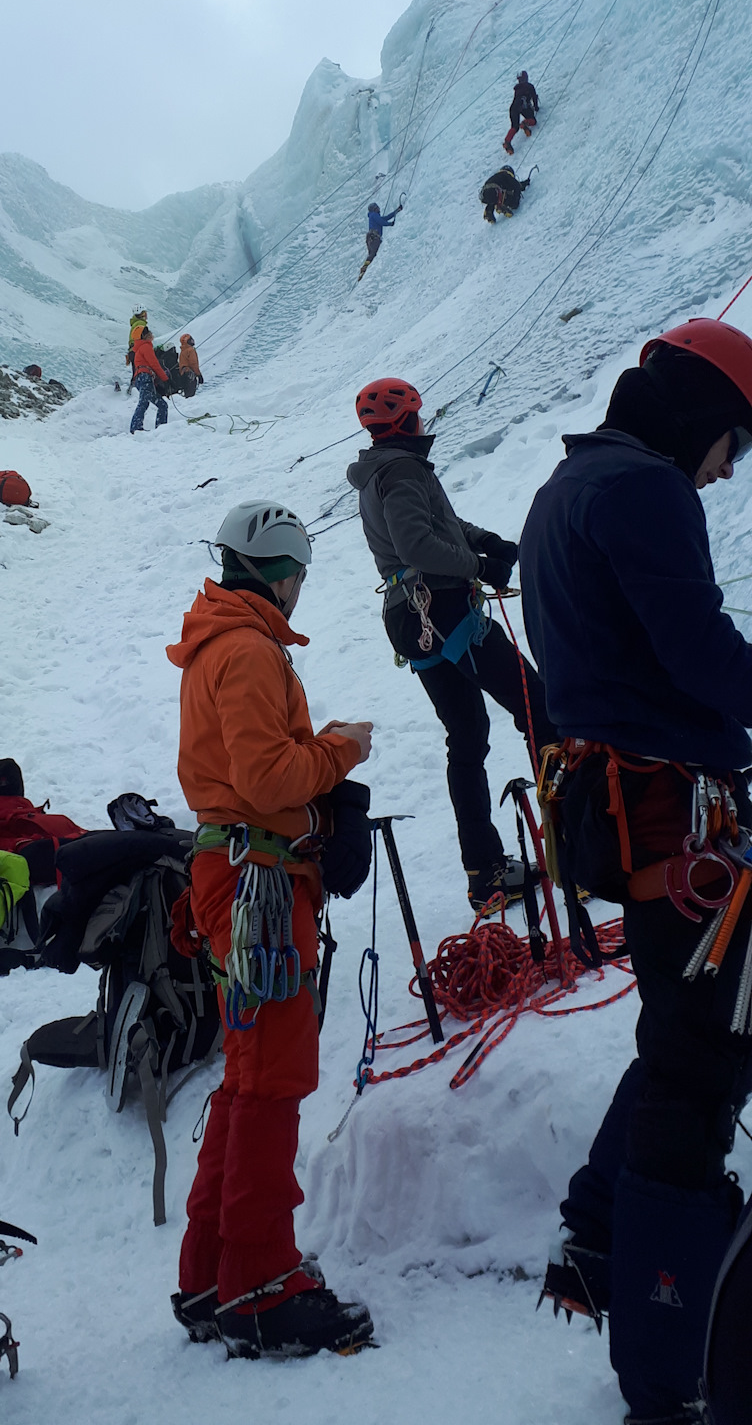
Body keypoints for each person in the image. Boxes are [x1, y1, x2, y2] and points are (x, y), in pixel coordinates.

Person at [519, 317, 752, 1424]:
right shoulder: (648, 490)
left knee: (679, 1038)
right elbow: (696, 647)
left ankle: (602, 1226)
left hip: (626, 812)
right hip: (672, 821)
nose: (726, 472)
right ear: (703, 415)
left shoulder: (570, 485)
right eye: (733, 447)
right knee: (700, 1070)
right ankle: (666, 1378)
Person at [167, 501, 375, 1358]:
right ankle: (260, 1281)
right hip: (258, 877)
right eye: (300, 575)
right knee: (272, 1077)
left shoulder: (222, 639)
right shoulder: (251, 650)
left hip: (238, 871)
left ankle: (215, 1270)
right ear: (282, 572)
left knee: (251, 1074)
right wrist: (339, 751)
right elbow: (267, 775)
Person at [348, 377, 554, 910]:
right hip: (441, 609)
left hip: (412, 620)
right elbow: (419, 541)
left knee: (467, 733)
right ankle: (577, 847)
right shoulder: (403, 469)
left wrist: (483, 541)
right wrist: (479, 564)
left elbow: (437, 524)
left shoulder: (380, 473)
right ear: (410, 421)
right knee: (540, 709)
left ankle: (484, 873)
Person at [129, 325, 170, 432]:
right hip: (145, 377)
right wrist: (165, 379)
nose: (151, 333)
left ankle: (160, 429)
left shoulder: (140, 348)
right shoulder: (146, 347)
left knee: (161, 404)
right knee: (144, 402)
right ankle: (136, 428)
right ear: (144, 336)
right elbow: (154, 364)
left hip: (141, 378)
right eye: (148, 333)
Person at [358, 201, 400, 282]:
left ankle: (364, 270)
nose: (379, 209)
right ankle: (364, 268)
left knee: (371, 254)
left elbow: (386, 217)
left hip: (370, 238)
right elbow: (382, 222)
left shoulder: (373, 216)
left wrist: (396, 211)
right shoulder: (374, 215)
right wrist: (390, 224)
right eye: (377, 207)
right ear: (374, 209)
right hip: (374, 237)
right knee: (372, 254)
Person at [504, 70, 538, 152]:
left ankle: (507, 141)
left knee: (514, 127)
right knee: (533, 120)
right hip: (523, 106)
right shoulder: (529, 86)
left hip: (513, 107)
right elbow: (534, 97)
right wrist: (536, 107)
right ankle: (525, 123)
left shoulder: (517, 89)